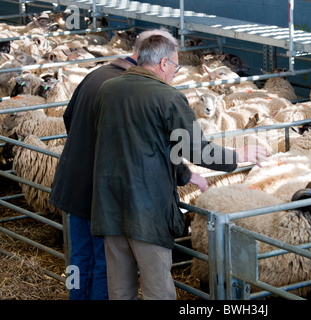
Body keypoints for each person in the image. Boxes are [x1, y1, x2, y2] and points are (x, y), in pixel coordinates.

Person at [90, 35, 269, 300]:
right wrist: (238, 153)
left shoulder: (108, 89)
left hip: (109, 205)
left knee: (119, 289)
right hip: (146, 210)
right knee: (158, 289)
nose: (175, 71)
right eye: (175, 65)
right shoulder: (167, 97)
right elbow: (195, 149)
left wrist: (184, 174)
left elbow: (135, 141)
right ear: (163, 63)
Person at [49, 28, 205, 300]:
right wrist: (183, 173)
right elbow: (149, 143)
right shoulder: (133, 88)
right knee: (102, 264)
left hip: (75, 185)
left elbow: (68, 118)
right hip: (105, 191)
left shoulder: (97, 76)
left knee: (78, 258)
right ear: (158, 57)